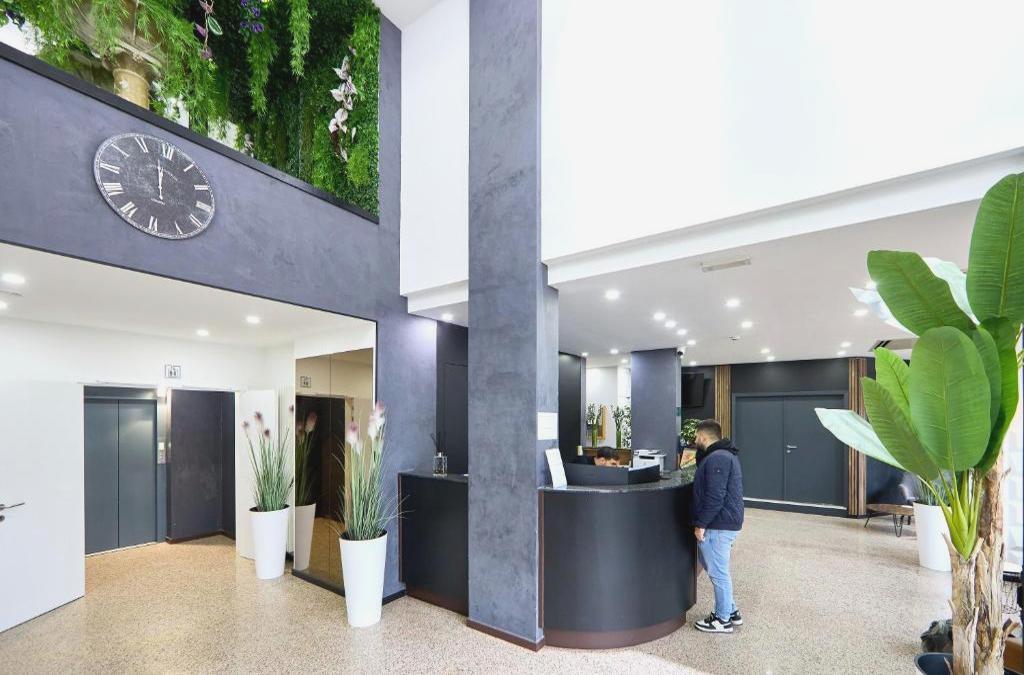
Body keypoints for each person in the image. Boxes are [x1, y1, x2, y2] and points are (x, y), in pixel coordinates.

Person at [690, 419, 744, 634]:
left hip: (718, 524)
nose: (694, 440)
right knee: (715, 567)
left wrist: (701, 524)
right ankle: (731, 611)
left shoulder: (718, 458)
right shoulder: (720, 455)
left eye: (696, 436)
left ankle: (722, 620)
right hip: (722, 522)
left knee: (718, 573)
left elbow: (715, 496)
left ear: (703, 436)